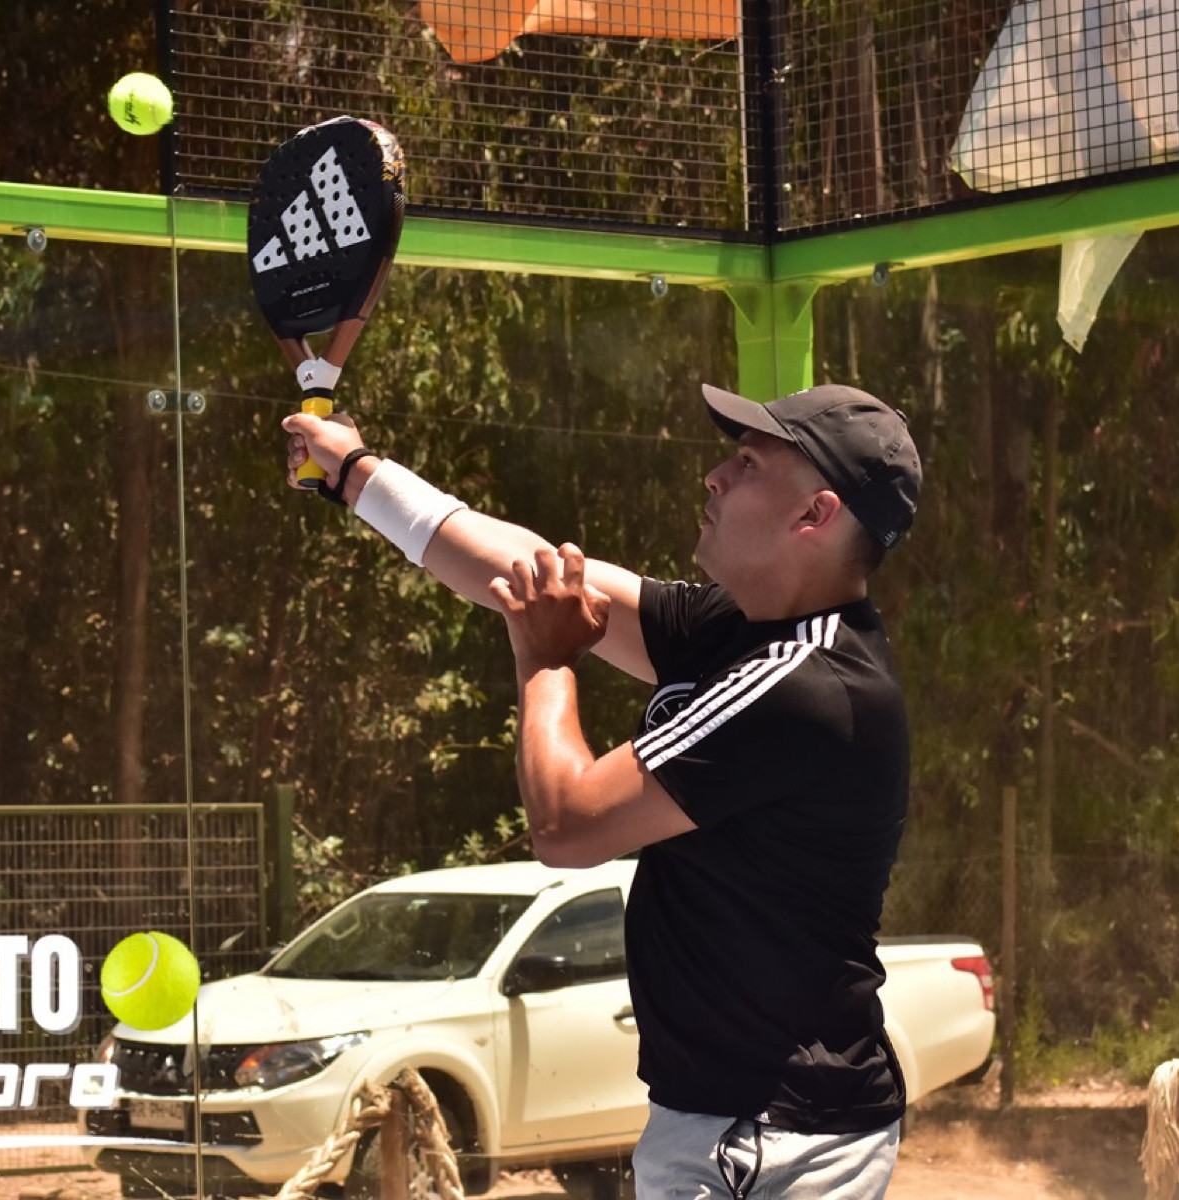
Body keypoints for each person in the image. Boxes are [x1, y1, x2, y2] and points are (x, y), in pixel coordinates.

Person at [283, 381, 922, 1200]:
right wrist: (355, 474)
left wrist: (546, 660)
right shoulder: (741, 631)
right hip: (740, 1121)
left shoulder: (805, 682)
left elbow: (568, 825)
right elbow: (527, 572)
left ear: (814, 513)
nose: (714, 477)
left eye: (747, 463)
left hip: (771, 1134)